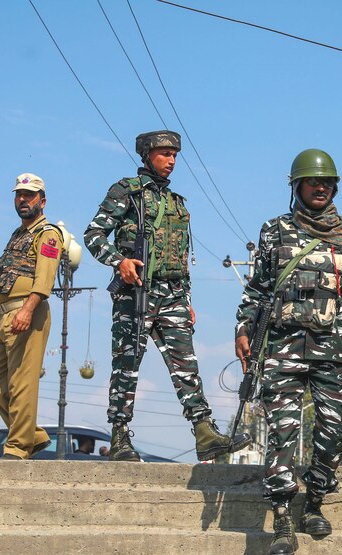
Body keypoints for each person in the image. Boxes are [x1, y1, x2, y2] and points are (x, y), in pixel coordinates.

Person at [235, 149, 342, 555]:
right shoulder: (274, 231)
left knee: (332, 428)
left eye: (327, 183)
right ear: (297, 187)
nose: (321, 188)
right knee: (283, 431)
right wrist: (243, 328)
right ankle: (282, 519)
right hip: (282, 347)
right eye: (313, 182)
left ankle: (314, 503)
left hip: (333, 349)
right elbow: (257, 288)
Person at [84, 130, 251, 462]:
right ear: (147, 155)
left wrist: (187, 300)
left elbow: (180, 255)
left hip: (173, 295)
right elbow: (94, 234)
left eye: (174, 155)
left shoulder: (176, 203)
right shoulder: (126, 193)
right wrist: (120, 262)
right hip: (136, 294)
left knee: (186, 365)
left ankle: (204, 431)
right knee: (126, 366)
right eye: (164, 154)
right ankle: (119, 436)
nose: (171, 160)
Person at [0, 173, 63, 460]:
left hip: (27, 310)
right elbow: (7, 277)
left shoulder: (48, 234)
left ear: (42, 200)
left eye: (29, 195)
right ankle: (33, 434)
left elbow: (44, 277)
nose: (23, 200)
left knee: (22, 382)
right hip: (4, 313)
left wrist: (27, 309)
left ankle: (17, 447)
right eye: (19, 195)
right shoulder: (18, 234)